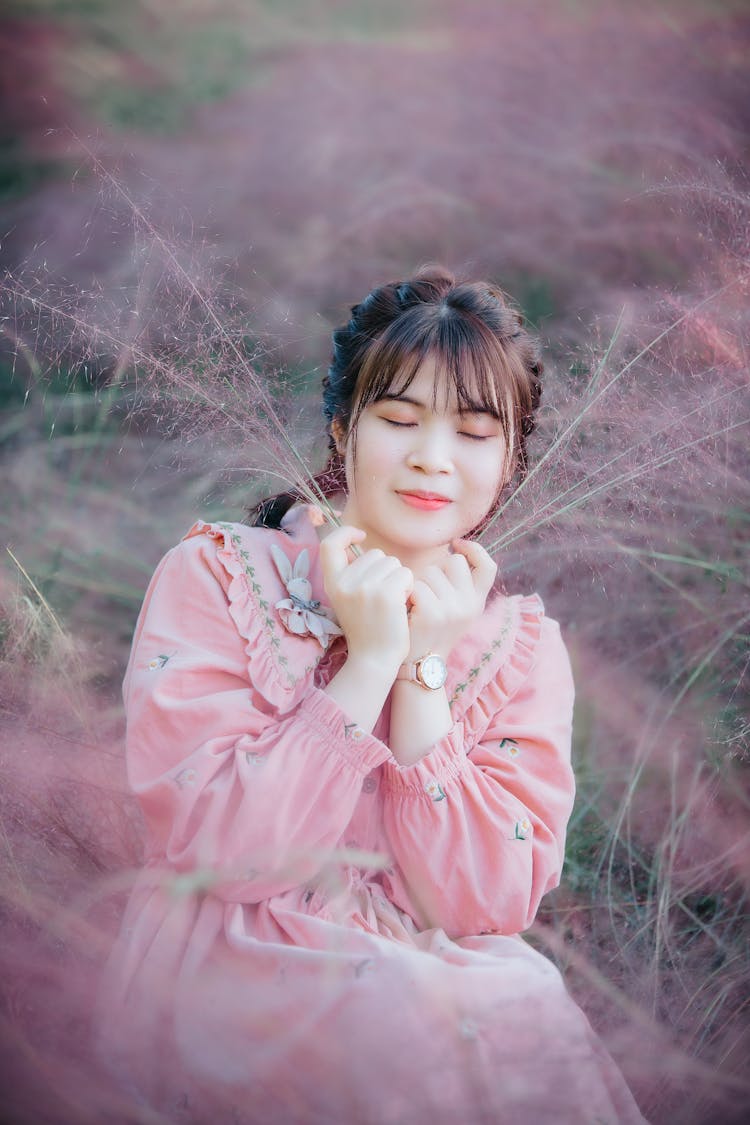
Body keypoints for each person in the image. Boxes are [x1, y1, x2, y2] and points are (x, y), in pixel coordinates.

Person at [96, 266, 647, 1123]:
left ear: (510, 460)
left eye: (473, 432)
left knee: (531, 1017)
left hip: (439, 965)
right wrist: (368, 659)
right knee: (400, 1024)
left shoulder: (520, 648)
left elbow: (480, 907)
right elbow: (223, 850)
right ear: (343, 425)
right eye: (399, 420)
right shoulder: (218, 574)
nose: (433, 457)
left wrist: (421, 670)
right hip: (232, 956)